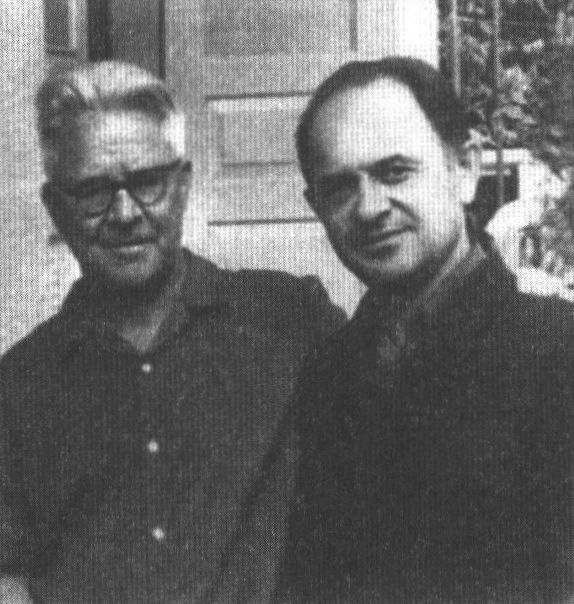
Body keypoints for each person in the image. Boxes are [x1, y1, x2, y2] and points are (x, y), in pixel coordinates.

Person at [0, 61, 344, 604]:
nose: (124, 214)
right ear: (55, 208)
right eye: (92, 191)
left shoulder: (290, 320)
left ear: (183, 185)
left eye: (146, 183)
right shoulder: (17, 386)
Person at [281, 57, 574, 603]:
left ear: (465, 168)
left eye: (395, 172)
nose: (369, 208)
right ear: (315, 207)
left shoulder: (556, 355)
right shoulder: (328, 375)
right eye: (340, 188)